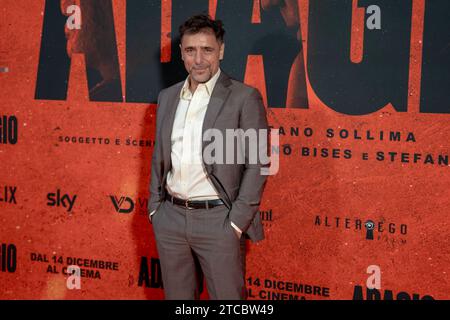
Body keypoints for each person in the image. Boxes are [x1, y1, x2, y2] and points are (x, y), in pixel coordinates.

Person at [148, 14, 270, 300]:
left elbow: (259, 162)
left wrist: (236, 222)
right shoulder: (168, 97)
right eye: (191, 51)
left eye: (207, 50)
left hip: (219, 220)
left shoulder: (244, 97)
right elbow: (160, 156)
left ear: (221, 51)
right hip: (171, 220)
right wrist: (156, 209)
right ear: (181, 54)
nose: (199, 60)